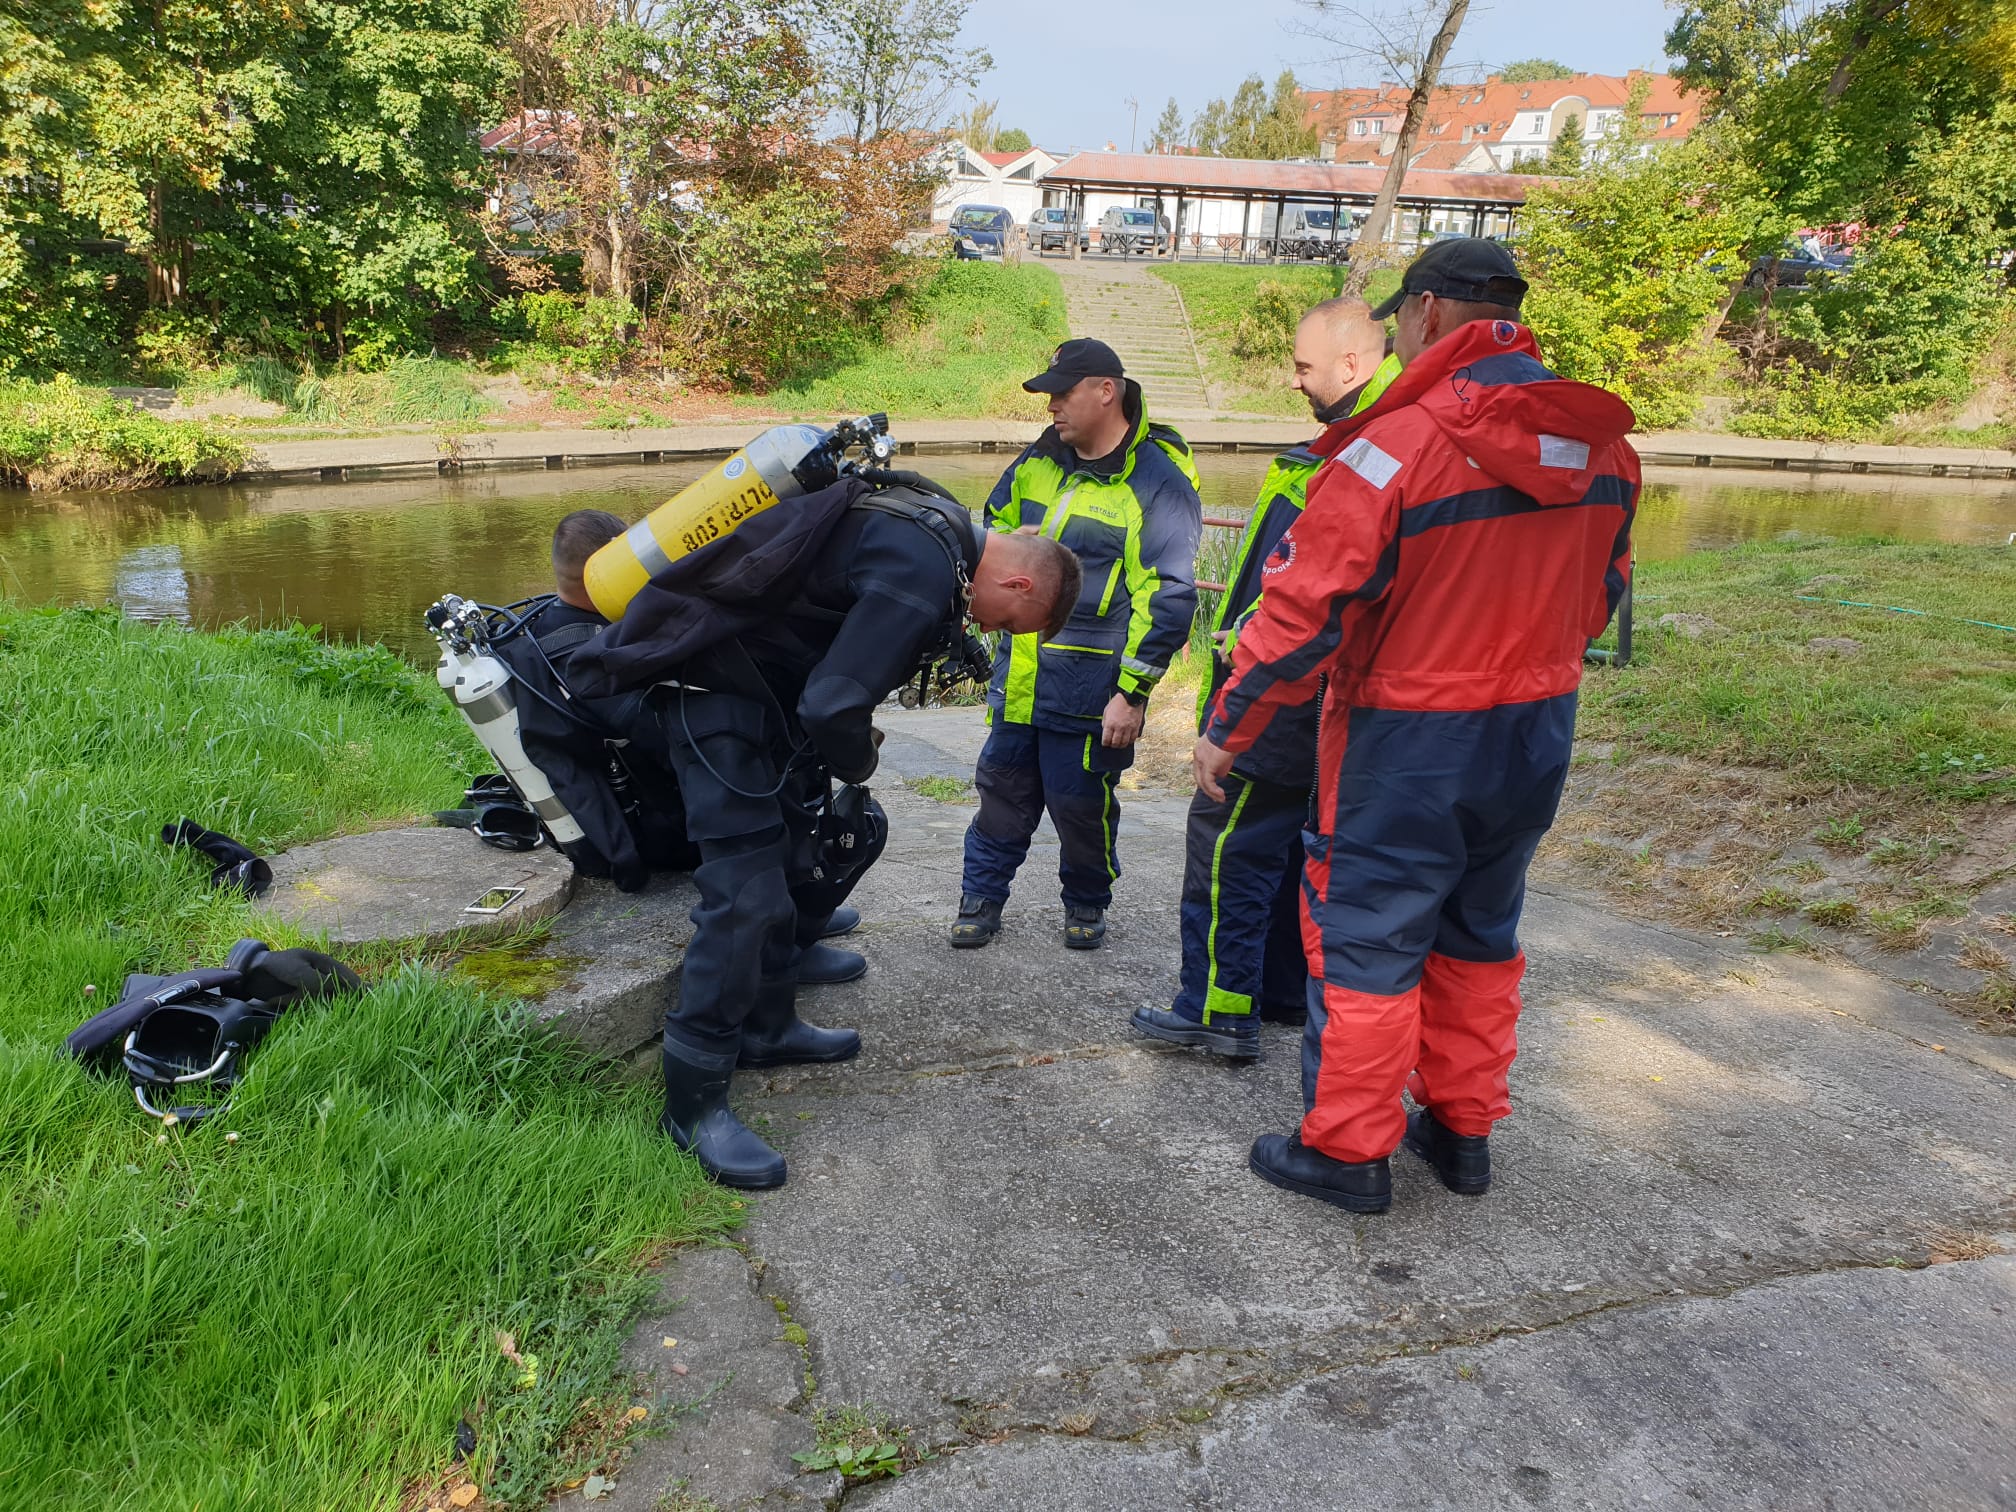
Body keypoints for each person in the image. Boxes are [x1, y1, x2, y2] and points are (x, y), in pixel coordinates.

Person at [1196, 238, 1640, 1213]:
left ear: (1429, 313)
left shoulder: (1394, 445)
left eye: (1400, 316)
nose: (1398, 333)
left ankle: (1349, 1152)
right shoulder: (1602, 448)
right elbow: (1601, 597)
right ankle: (1462, 1130)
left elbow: (1303, 612)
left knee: (1367, 936)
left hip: (1407, 739)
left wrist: (1229, 725)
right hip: (1536, 731)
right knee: (1480, 931)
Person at [570, 482, 1079, 1190]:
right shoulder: (926, 567)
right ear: (1019, 583)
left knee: (793, 855)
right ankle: (692, 1108)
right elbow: (834, 703)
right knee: (744, 897)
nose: (991, 629)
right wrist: (860, 760)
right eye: (1011, 623)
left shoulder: (930, 523)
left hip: (753, 699)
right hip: (712, 702)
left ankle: (769, 1026)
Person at [1132, 299, 1400, 1061]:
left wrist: (1238, 700)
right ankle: (1276, 993)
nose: (1294, 380)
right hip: (1321, 703)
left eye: (1304, 367)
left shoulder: (1357, 459)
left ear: (1351, 364)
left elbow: (1302, 601)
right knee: (1288, 849)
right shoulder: (1376, 443)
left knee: (1228, 850)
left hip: (1283, 699)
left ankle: (1215, 1011)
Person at [523, 510, 872, 981]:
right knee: (757, 775)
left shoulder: (565, 624)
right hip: (659, 823)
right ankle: (786, 946)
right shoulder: (581, 656)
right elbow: (674, 739)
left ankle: (803, 911)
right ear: (600, 575)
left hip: (653, 796)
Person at [952, 339, 1203, 951]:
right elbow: (987, 533)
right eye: (1049, 396)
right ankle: (979, 900)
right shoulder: (1038, 460)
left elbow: (1167, 595)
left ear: (1106, 391)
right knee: (1000, 797)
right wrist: (1005, 543)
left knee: (1081, 808)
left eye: (1063, 393)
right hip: (1019, 682)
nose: (1052, 406)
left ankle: (1087, 900)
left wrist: (1132, 693)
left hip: (1091, 694)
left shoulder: (1158, 484)